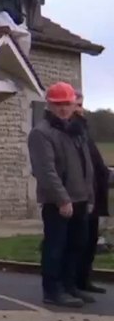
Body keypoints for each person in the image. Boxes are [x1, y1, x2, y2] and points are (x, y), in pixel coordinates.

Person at [27, 81, 95, 307]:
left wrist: (89, 196)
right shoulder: (41, 133)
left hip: (81, 198)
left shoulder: (76, 129)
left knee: (77, 244)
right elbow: (45, 171)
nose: (63, 109)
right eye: (58, 105)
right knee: (56, 246)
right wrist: (62, 199)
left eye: (67, 104)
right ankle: (52, 290)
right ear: (49, 105)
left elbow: (86, 165)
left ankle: (70, 285)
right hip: (58, 202)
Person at [73, 91, 110, 294]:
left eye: (81, 104)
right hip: (81, 194)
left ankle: (84, 279)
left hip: (95, 193)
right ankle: (73, 282)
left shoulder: (84, 129)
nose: (80, 109)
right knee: (79, 242)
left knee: (90, 241)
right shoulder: (72, 130)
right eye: (77, 104)